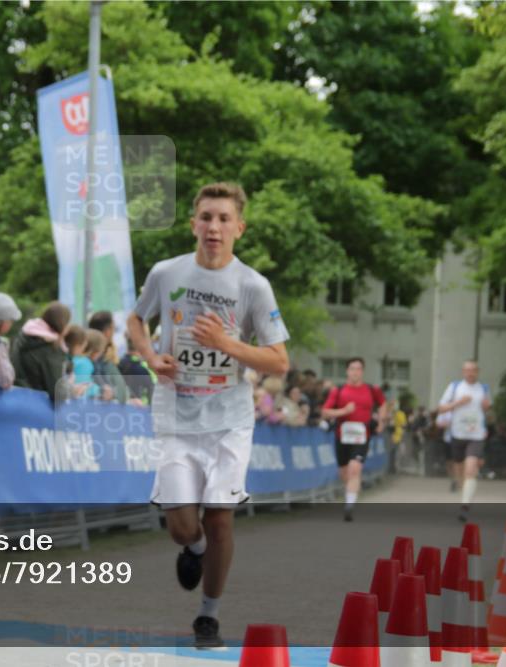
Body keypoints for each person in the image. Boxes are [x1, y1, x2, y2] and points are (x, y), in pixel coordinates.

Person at [126, 182, 290, 648]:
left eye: (223, 219)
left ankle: (209, 615)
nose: (213, 227)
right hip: (177, 415)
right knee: (182, 525)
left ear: (239, 227)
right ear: (194, 223)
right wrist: (149, 357)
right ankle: (193, 548)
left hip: (229, 419)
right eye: (206, 217)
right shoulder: (166, 272)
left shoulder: (252, 285)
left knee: (220, 518)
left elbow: (278, 361)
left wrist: (227, 345)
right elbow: (137, 320)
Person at [321, 358, 387, 522]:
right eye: (352, 369)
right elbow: (325, 412)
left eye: (358, 369)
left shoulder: (372, 390)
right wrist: (344, 410)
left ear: (362, 371)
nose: (355, 372)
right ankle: (351, 491)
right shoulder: (339, 390)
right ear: (347, 371)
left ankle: (349, 506)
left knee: (355, 469)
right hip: (341, 435)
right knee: (344, 472)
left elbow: (383, 404)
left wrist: (381, 421)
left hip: (362, 435)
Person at [436, 360, 491, 522]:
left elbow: (487, 410)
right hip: (458, 434)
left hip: (476, 435)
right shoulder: (454, 387)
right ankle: (463, 490)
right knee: (459, 469)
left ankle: (465, 506)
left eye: (473, 370)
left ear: (477, 371)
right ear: (462, 372)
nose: (470, 373)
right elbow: (441, 408)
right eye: (467, 370)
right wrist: (458, 403)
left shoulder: (484, 388)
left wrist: (486, 407)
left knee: (471, 469)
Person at [11, 301, 72, 402]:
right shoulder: (50, 348)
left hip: (17, 399)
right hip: (37, 406)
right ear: (63, 324)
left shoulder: (22, 337)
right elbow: (57, 394)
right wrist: (71, 389)